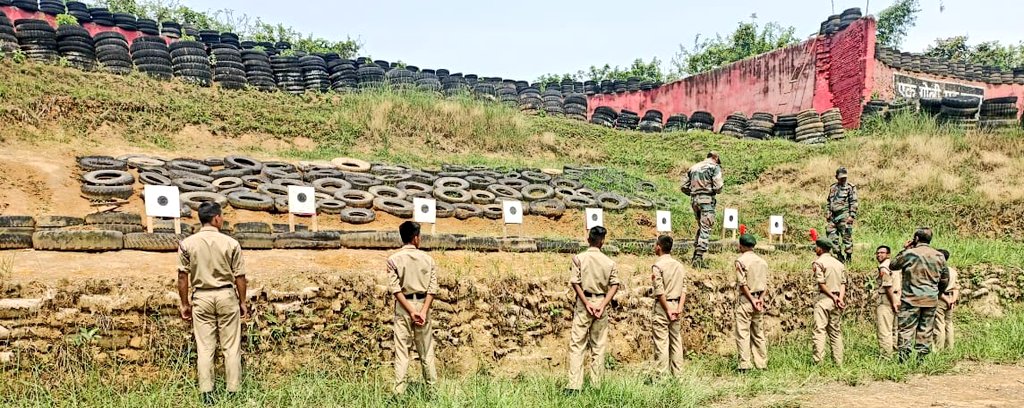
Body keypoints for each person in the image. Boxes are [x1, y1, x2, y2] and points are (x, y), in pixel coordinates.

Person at [176, 202, 248, 404]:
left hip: (202, 297)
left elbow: (182, 277)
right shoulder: (231, 243)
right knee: (231, 347)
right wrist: (242, 301)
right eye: (221, 216)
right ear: (216, 218)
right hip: (226, 296)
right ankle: (233, 392)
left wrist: (184, 304)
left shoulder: (187, 244)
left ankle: (207, 394)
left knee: (205, 348)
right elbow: (240, 276)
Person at [566, 226, 621, 393]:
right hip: (601, 303)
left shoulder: (579, 258)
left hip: (584, 304)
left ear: (588, 239)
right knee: (598, 346)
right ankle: (597, 385)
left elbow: (575, 282)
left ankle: (574, 385)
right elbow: (615, 285)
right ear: (602, 241)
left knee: (577, 345)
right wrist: (602, 305)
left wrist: (587, 303)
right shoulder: (609, 262)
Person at [387, 221, 439, 395]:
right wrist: (422, 311)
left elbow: (395, 289)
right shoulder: (428, 259)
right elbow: (432, 288)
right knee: (426, 351)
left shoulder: (393, 260)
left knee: (402, 352)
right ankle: (432, 391)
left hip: (404, 307)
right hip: (423, 304)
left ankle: (399, 392)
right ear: (416, 238)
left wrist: (410, 311)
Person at [890, 227, 950, 363]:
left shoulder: (909, 254)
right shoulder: (939, 256)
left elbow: (893, 265)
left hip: (911, 299)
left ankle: (903, 360)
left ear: (916, 239)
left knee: (906, 329)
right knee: (926, 330)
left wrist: (905, 249)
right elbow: (944, 279)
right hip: (930, 299)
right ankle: (921, 360)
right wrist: (937, 294)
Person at [649, 235, 688, 378]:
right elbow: (684, 288)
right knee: (676, 341)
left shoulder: (658, 266)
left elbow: (659, 291)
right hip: (676, 304)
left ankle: (662, 377)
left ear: (659, 247)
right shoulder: (679, 265)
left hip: (663, 307)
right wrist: (679, 308)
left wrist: (667, 310)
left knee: (661, 343)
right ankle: (678, 375)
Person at [681, 151, 723, 268]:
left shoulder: (693, 167)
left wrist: (695, 192)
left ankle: (696, 254)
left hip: (694, 200)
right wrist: (708, 190)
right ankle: (698, 258)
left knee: (702, 227)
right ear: (716, 158)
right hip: (707, 201)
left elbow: (683, 186)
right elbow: (718, 187)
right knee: (706, 228)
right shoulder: (714, 167)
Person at [733, 234, 769, 371]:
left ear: (741, 245)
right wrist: (760, 299)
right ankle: (761, 363)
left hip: (746, 300)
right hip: (759, 300)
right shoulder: (762, 262)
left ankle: (745, 364)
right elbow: (765, 284)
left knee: (743, 333)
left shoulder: (740, 261)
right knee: (758, 333)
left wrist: (752, 299)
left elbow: (742, 283)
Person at [811, 239, 847, 366]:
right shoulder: (839, 264)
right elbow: (843, 283)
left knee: (819, 330)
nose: (815, 249)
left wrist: (832, 296)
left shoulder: (818, 263)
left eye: (816, 247)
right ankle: (838, 361)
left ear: (820, 249)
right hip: (836, 300)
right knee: (835, 331)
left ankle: (818, 361)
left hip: (824, 299)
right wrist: (839, 298)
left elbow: (821, 284)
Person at [825, 167, 858, 263]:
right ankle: (839, 255)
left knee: (846, 237)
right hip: (833, 217)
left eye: (844, 177)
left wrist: (852, 215)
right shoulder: (833, 187)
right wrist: (828, 212)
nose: (843, 179)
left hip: (844, 216)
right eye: (841, 177)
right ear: (836, 177)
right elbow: (829, 202)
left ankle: (848, 257)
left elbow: (854, 202)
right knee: (831, 236)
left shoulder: (850, 187)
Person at [874, 245, 901, 357]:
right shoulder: (896, 266)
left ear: (888, 254)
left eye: (882, 253)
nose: (879, 255)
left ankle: (886, 356)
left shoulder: (884, 267)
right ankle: (896, 352)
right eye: (877, 253)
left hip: (887, 299)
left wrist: (893, 302)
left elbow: (887, 285)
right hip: (898, 298)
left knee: (884, 330)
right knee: (895, 329)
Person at [933, 249, 958, 351]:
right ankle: (949, 348)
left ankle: (939, 348)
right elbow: (956, 287)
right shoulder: (952, 271)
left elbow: (937, 288)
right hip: (951, 297)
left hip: (941, 298)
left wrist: (945, 299)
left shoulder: (938, 271)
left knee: (939, 323)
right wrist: (953, 300)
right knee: (949, 323)